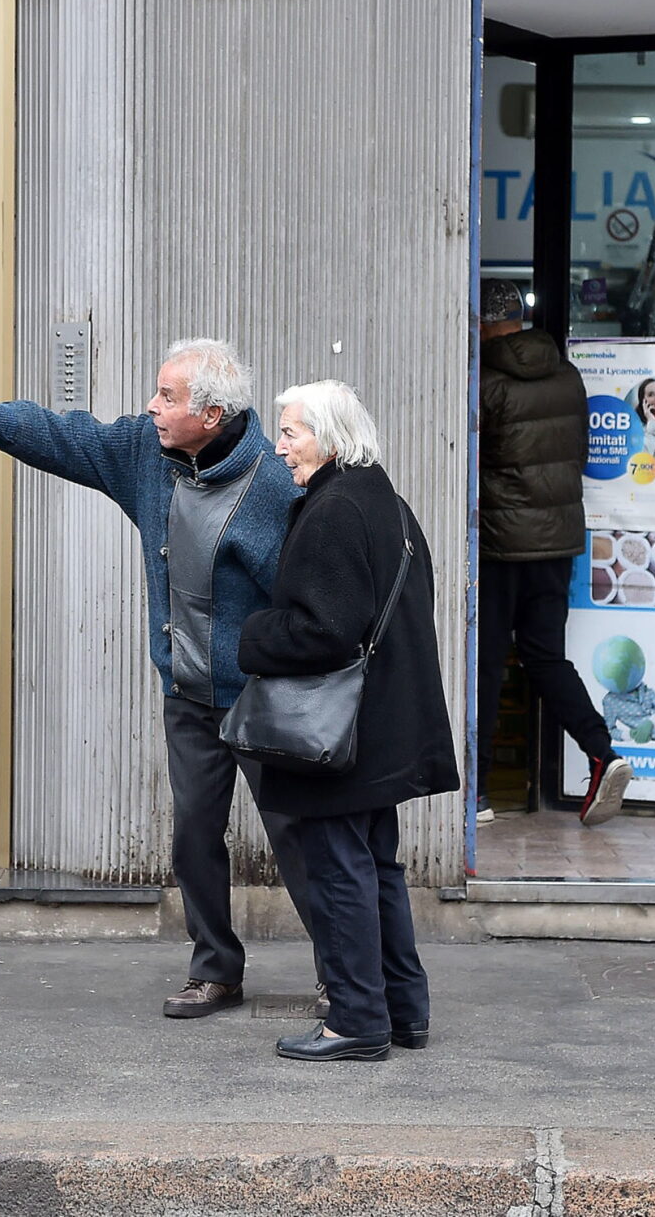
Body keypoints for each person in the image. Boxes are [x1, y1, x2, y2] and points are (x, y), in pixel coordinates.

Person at [0, 339, 322, 1020]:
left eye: (167, 396)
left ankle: (343, 975)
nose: (151, 407)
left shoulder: (272, 485)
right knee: (193, 835)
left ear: (212, 413)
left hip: (264, 693)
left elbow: (308, 598)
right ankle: (216, 968)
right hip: (187, 695)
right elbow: (67, 438)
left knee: (299, 838)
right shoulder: (146, 456)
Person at [238, 381, 459, 1062]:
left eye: (291, 433)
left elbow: (324, 630)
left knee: (340, 874)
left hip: (341, 737)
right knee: (377, 870)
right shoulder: (385, 501)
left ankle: (357, 1019)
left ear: (330, 437)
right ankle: (402, 1010)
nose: (279, 448)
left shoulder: (333, 508)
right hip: (384, 727)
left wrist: (253, 633)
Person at [477, 279, 628, 826]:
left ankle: (477, 793)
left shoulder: (484, 380)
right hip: (557, 543)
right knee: (545, 658)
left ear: (482, 324)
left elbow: (473, 460)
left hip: (500, 544)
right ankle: (601, 753)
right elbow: (578, 455)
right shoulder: (566, 375)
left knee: (486, 663)